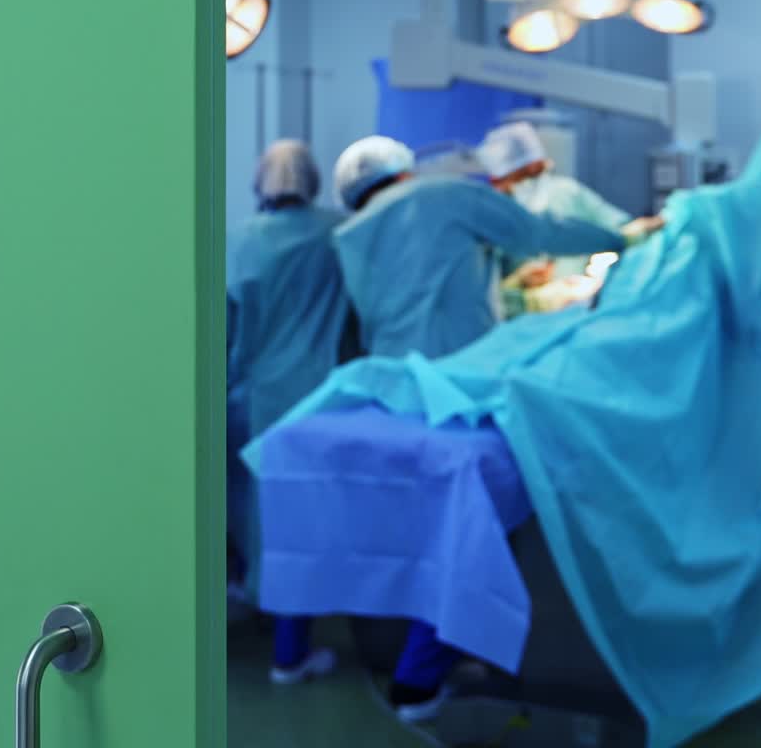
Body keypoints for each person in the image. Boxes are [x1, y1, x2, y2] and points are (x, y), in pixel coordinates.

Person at [331, 135, 662, 361]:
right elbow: (539, 232)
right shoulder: (444, 194)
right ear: (404, 172)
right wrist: (621, 238)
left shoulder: (347, 237)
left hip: (391, 376)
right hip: (460, 367)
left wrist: (512, 278)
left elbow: (428, 280)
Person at [227, 140, 352, 685]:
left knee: (249, 515)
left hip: (250, 397)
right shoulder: (338, 233)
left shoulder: (240, 241)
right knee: (301, 523)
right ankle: (290, 649)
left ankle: (256, 609)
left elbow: (225, 329)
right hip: (318, 394)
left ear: (259, 182)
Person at [478, 121, 640, 307]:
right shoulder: (499, 215)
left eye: (504, 180)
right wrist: (519, 285)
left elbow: (623, 232)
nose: (502, 188)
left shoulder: (567, 193)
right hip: (527, 318)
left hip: (582, 306)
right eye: (498, 182)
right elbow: (487, 289)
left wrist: (601, 271)